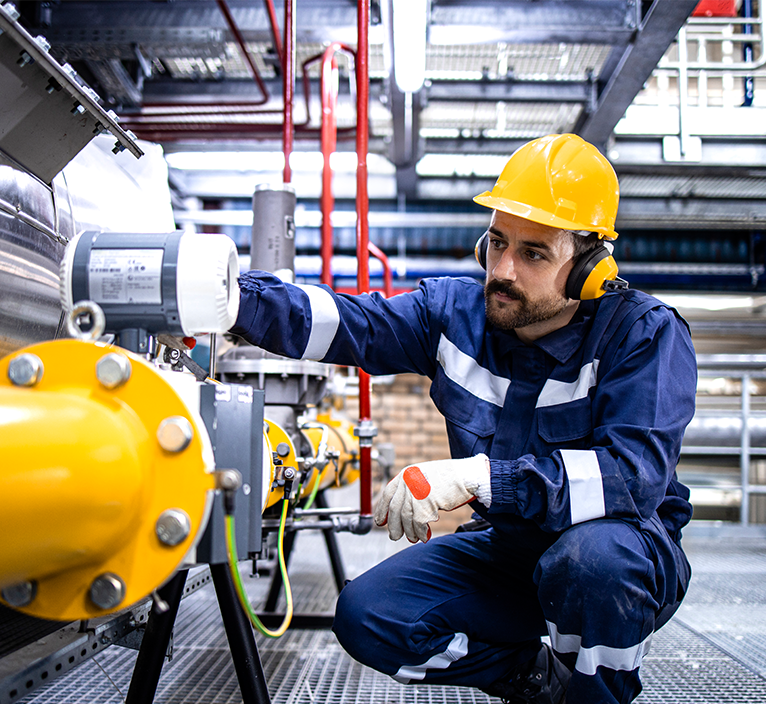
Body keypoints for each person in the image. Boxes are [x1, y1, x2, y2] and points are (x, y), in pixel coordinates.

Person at [228, 133, 697, 704]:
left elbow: (631, 477)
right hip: (510, 548)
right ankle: (536, 680)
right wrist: (231, 302)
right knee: (369, 615)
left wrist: (480, 478)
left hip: (617, 557)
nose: (501, 270)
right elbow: (350, 321)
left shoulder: (642, 335)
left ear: (588, 270)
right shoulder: (454, 314)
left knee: (590, 564)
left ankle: (597, 696)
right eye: (497, 242)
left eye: (533, 253)